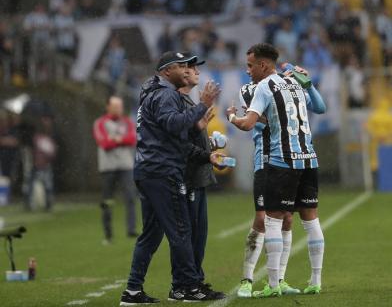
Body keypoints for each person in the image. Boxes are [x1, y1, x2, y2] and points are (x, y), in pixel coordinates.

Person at [120, 51, 223, 305]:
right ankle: (186, 287)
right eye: (181, 66)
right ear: (167, 71)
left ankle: (133, 290)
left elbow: (174, 137)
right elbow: (174, 125)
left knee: (152, 234)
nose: (187, 70)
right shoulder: (166, 94)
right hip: (163, 171)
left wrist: (203, 152)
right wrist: (203, 105)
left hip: (149, 170)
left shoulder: (152, 93)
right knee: (181, 230)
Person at [226, 43, 326, 297]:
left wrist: (232, 118)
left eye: (250, 65)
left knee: (276, 219)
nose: (247, 71)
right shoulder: (289, 83)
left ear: (262, 64)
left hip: (279, 160)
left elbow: (251, 123)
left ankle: (275, 282)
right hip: (303, 158)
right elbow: (318, 108)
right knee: (287, 218)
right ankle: (251, 278)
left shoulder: (263, 87)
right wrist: (306, 83)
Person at [178, 52, 225, 300]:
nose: (197, 72)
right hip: (188, 177)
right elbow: (180, 142)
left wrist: (210, 147)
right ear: (180, 72)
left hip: (198, 176)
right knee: (190, 234)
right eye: (192, 68)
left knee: (198, 234)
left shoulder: (188, 102)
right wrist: (206, 155)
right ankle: (186, 285)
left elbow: (191, 137)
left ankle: (193, 281)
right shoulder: (179, 101)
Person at [93, 96, 138, 243]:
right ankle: (108, 234)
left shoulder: (128, 122)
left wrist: (115, 139)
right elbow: (104, 143)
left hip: (126, 165)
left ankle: (131, 230)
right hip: (108, 166)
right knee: (107, 200)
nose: (119, 109)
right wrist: (120, 140)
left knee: (131, 197)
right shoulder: (100, 123)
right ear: (108, 107)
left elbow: (132, 140)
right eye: (115, 106)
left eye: (120, 106)